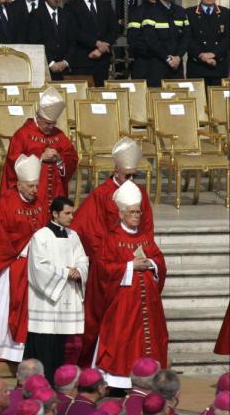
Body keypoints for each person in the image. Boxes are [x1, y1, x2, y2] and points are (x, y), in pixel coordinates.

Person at [71, 137, 155, 367]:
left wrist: (145, 254)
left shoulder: (140, 194)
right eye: (127, 175)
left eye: (134, 176)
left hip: (135, 272)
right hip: (110, 268)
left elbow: (146, 230)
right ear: (116, 170)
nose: (130, 180)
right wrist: (111, 257)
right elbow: (86, 228)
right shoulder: (102, 194)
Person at [0, 155, 49, 362]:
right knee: (1, 308)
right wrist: (22, 248)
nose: (35, 190)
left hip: (33, 266)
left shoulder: (41, 203)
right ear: (19, 184)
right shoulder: (5, 204)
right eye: (31, 186)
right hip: (7, 265)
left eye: (36, 185)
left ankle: (18, 351)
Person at [92, 181, 168, 389]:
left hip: (149, 304)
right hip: (123, 305)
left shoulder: (144, 237)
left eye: (139, 212)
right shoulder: (112, 239)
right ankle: (120, 382)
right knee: (123, 339)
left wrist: (150, 264)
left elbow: (159, 260)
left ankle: (149, 379)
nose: (137, 215)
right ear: (122, 214)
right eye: (133, 212)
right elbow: (102, 268)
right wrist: (129, 266)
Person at [25, 197, 89, 382]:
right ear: (55, 213)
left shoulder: (73, 235)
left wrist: (80, 271)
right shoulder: (41, 236)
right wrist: (65, 273)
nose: (71, 217)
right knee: (45, 346)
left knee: (62, 346)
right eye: (67, 213)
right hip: (47, 302)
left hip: (67, 298)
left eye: (72, 213)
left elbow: (82, 260)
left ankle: (61, 384)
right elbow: (38, 267)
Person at [1, 87, 76, 205]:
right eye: (47, 123)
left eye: (53, 124)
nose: (51, 127)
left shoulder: (59, 135)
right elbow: (13, 162)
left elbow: (72, 158)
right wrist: (40, 158)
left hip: (56, 191)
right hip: (34, 192)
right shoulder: (23, 135)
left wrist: (60, 161)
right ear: (38, 117)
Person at [63, 0, 119, 87]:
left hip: (102, 61)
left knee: (99, 94)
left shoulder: (105, 5)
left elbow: (114, 29)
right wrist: (96, 43)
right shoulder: (71, 6)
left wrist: (102, 48)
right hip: (82, 60)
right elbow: (74, 31)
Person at [131, 0, 188, 87]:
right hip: (158, 66)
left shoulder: (180, 11)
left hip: (176, 66)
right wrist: (167, 58)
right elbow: (151, 40)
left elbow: (186, 37)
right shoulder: (150, 12)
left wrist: (179, 57)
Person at [26, 0, 70, 81]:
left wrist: (65, 62)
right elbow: (35, 42)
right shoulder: (36, 15)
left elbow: (72, 40)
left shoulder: (66, 15)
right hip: (44, 69)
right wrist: (50, 63)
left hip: (64, 69)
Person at [186, 0, 229, 85]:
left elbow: (227, 38)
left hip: (218, 67)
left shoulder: (226, 13)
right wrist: (201, 55)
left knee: (218, 100)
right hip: (197, 68)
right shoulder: (189, 13)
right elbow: (187, 38)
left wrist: (214, 54)